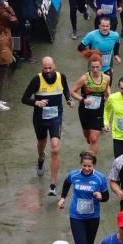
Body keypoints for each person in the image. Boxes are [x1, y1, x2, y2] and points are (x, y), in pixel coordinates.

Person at [21, 56, 74, 195]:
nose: (48, 70)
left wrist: (68, 100)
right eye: (45, 68)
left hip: (56, 117)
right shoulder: (37, 79)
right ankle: (40, 158)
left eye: (50, 68)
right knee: (41, 142)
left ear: (54, 66)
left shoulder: (61, 77)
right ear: (42, 68)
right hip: (40, 118)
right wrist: (36, 102)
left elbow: (65, 90)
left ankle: (53, 185)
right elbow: (24, 98)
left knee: (55, 148)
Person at [58, 152, 109, 244]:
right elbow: (66, 183)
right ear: (81, 164)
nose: (86, 168)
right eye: (84, 165)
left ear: (93, 165)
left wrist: (101, 196)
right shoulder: (74, 175)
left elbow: (106, 196)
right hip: (76, 215)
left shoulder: (100, 178)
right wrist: (63, 198)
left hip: (93, 216)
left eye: (89, 166)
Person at [71, 51, 111, 154]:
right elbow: (72, 92)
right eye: (93, 67)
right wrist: (83, 100)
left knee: (94, 138)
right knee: (88, 137)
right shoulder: (85, 78)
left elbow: (107, 92)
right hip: (85, 110)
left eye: (97, 67)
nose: (95, 70)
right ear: (90, 66)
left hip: (98, 111)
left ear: (101, 66)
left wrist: (108, 99)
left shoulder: (106, 78)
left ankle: (91, 161)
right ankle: (91, 145)